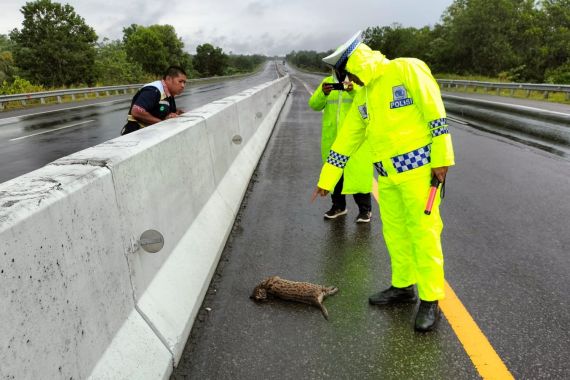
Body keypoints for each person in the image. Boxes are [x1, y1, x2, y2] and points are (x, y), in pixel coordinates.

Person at [312, 31, 455, 332]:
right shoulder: (362, 97)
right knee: (395, 234)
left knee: (424, 234)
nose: (347, 83)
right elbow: (345, 141)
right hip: (387, 177)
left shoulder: (406, 68)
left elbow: (435, 111)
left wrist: (443, 158)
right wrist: (327, 178)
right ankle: (403, 287)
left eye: (346, 75)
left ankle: (431, 299)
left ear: (356, 64)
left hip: (419, 174)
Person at [308, 74, 373, 223]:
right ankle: (338, 207)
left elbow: (368, 104)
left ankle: (365, 210)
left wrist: (352, 90)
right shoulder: (327, 82)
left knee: (358, 175)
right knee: (335, 176)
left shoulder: (358, 81)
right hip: (332, 139)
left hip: (355, 140)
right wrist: (323, 93)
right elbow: (314, 105)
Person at [121, 66, 187, 135]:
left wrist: (176, 113)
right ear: (168, 79)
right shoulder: (153, 90)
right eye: (180, 81)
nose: (183, 86)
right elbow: (136, 111)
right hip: (134, 133)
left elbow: (166, 111)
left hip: (148, 133)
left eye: (184, 82)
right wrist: (162, 122)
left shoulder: (169, 94)